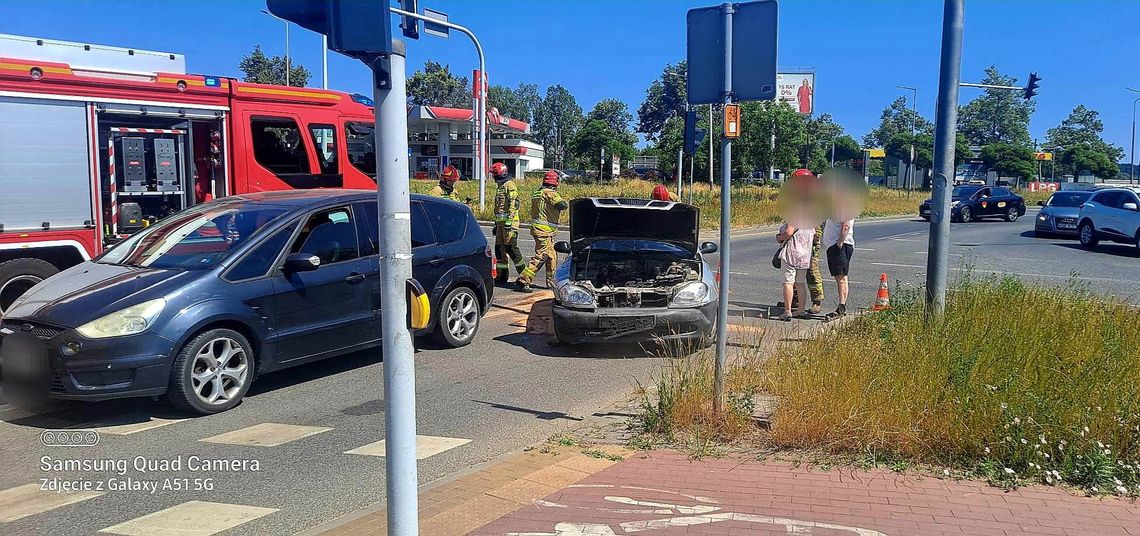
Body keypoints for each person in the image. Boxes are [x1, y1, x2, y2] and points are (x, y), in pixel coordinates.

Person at [516, 170, 569, 292]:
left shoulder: (538, 193)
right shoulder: (550, 193)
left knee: (551, 256)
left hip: (542, 230)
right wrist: (564, 201)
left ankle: (551, 282)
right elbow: (562, 205)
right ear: (555, 183)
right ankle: (523, 280)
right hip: (544, 231)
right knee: (541, 256)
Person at [491, 162, 526, 284]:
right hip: (501, 225)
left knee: (512, 249)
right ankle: (501, 277)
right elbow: (499, 209)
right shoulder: (500, 187)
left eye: (494, 174)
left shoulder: (509, 185)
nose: (493, 177)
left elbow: (514, 203)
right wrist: (497, 225)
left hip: (509, 225)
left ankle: (524, 278)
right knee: (499, 250)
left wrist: (509, 221)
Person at [775, 221, 814, 321]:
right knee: (800, 283)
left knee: (788, 282)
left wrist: (779, 238)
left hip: (791, 253)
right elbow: (815, 236)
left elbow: (789, 232)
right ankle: (801, 310)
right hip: (804, 255)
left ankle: (787, 311)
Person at [822, 214, 855, 321]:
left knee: (841, 277)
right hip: (834, 245)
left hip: (840, 246)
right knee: (840, 277)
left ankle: (841, 307)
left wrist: (839, 243)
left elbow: (846, 225)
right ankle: (842, 307)